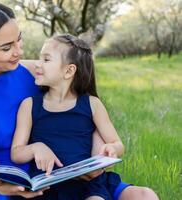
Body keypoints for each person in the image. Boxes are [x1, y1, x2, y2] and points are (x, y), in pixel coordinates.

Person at [0, 1, 159, 200]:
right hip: (13, 182)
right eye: (6, 48)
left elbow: (83, 110)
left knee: (144, 196)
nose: (18, 52)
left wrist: (94, 159)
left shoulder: (34, 71)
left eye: (19, 40)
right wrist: (2, 187)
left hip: (68, 170)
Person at [10, 34, 159, 200]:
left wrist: (110, 150)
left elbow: (117, 144)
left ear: (69, 71)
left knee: (146, 195)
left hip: (87, 183)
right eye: (39, 58)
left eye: (46, 59)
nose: (37, 64)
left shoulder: (92, 104)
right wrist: (35, 147)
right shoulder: (29, 105)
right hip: (48, 187)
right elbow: (16, 153)